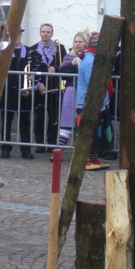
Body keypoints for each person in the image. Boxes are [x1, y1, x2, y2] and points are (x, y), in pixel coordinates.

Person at [76, 30, 113, 171]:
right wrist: (101, 100)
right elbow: (93, 82)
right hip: (89, 103)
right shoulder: (90, 60)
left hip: (95, 101)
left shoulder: (91, 57)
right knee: (88, 131)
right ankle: (85, 159)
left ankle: (93, 158)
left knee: (97, 131)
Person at [28, 23, 67, 151]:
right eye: (43, 31)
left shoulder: (60, 48)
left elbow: (66, 67)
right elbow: (28, 70)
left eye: (48, 32)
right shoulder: (32, 49)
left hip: (54, 88)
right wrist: (37, 84)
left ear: (52, 33)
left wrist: (56, 70)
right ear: (40, 33)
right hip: (39, 89)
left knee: (54, 117)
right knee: (38, 117)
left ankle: (51, 143)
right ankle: (39, 144)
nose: (45, 34)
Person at [0, 33, 33, 159]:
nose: (17, 37)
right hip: (8, 91)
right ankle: (5, 148)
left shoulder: (29, 51)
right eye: (15, 35)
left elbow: (36, 67)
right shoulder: (3, 51)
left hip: (24, 92)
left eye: (18, 35)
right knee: (6, 122)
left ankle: (26, 149)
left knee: (25, 122)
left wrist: (33, 76)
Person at [57, 30, 88, 146]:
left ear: (85, 43)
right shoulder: (70, 56)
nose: (77, 44)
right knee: (67, 116)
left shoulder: (89, 56)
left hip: (85, 91)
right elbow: (62, 73)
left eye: (80, 42)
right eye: (76, 42)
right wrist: (72, 65)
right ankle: (61, 146)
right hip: (71, 89)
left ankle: (82, 146)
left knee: (83, 118)